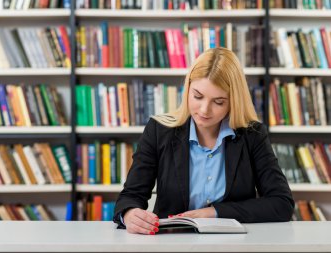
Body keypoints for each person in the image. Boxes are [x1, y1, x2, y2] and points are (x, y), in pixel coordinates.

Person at [113, 47, 294, 235]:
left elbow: (281, 203)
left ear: (233, 101)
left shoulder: (253, 135)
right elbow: (130, 197)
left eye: (219, 102)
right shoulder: (159, 131)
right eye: (197, 96)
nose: (204, 110)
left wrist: (214, 212)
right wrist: (130, 213)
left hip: (234, 246)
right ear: (187, 89)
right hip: (172, 243)